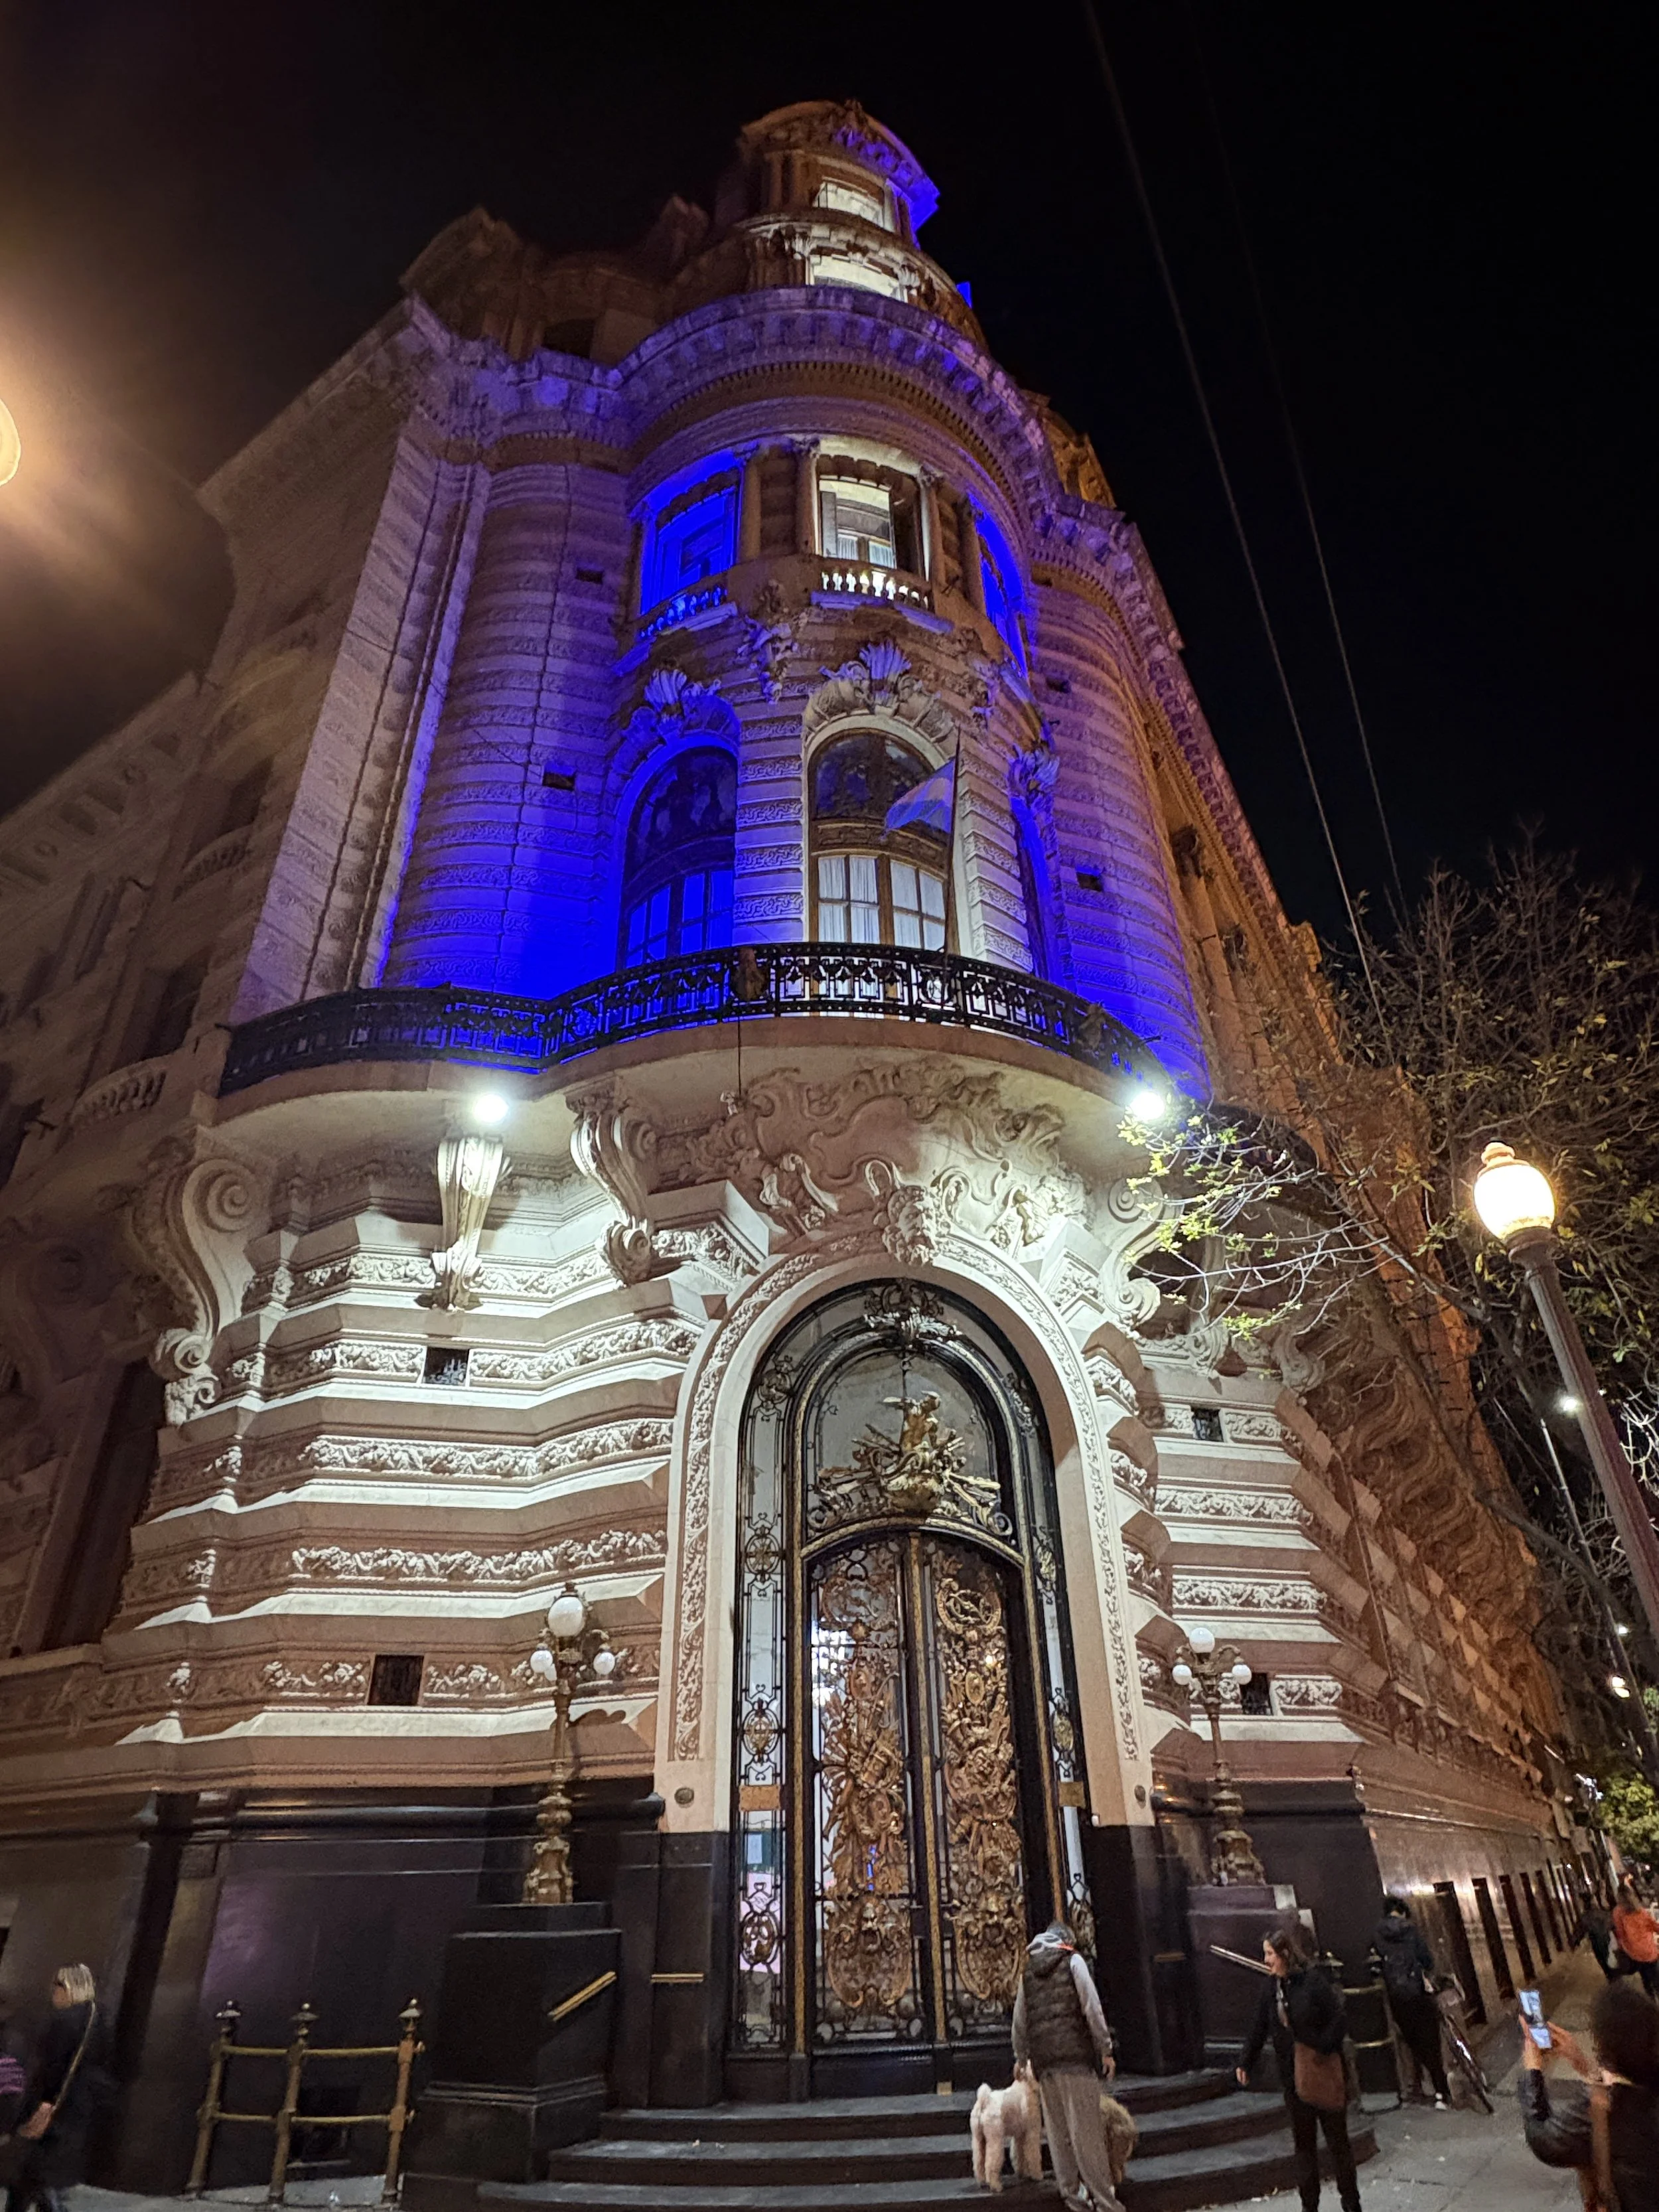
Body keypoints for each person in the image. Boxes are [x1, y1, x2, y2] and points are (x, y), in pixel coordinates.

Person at [1237, 1921, 1362, 2212]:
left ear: (1284, 1954)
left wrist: (1321, 2048)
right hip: (1293, 2077)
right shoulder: (1271, 1988)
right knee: (1304, 2147)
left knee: (1337, 2143)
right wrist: (1246, 2061)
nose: (1266, 1960)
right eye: (1265, 1954)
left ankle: (1351, 2203)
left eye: (1270, 1954)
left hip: (1322, 2072)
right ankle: (1310, 2206)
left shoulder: (1312, 1982)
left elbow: (1338, 2019)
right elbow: (1259, 2027)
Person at [1011, 1919, 1121, 2212]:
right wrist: (1105, 2048)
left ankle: (1074, 2201)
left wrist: (1021, 2059)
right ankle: (1106, 2203)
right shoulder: (1073, 1961)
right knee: (1087, 2135)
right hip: (1075, 2059)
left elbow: (1019, 2022)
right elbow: (1092, 2007)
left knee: (1058, 2137)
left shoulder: (1028, 1971)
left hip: (1045, 2064)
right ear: (1066, 1940)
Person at [1520, 1978, 1659, 2209]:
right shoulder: (1645, 2090)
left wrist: (1533, 2070)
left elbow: (1545, 2140)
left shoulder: (1608, 2108)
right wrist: (1584, 2066)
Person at [5, 1964, 113, 2212]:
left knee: (29, 2172)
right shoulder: (100, 2022)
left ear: (68, 1988)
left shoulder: (64, 2020)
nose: (53, 1994)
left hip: (53, 2107)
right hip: (80, 2110)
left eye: (56, 1987)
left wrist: (29, 2109)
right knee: (37, 2174)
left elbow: (47, 2069)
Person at [1372, 1895, 1451, 2108]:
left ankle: (1416, 2086)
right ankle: (1441, 2093)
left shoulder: (1378, 1934)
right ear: (1403, 1912)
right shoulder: (1411, 1929)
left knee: (1413, 2042)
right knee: (1432, 2043)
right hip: (1419, 1994)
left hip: (1398, 1997)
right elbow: (1427, 1960)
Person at [1613, 1883, 1659, 1998]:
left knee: (1645, 1976)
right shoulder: (1640, 1911)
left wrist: (1623, 1946)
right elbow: (1654, 1926)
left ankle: (1651, 2000)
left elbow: (1621, 1933)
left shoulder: (1618, 1912)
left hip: (1635, 1953)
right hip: (1650, 1951)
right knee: (1655, 1974)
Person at [1573, 1895, 1619, 1982]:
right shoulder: (1602, 1913)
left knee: (1601, 1958)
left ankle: (1610, 1975)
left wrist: (1576, 1941)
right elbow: (1612, 1923)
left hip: (1596, 1941)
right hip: (1606, 1938)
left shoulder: (1585, 1917)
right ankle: (1614, 1973)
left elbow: (1580, 1930)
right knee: (1610, 1956)